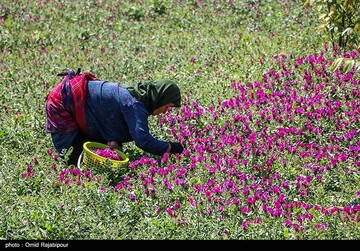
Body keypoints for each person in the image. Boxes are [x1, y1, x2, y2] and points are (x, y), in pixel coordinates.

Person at [45, 69, 184, 165]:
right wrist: (174, 148)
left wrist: (112, 139)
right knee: (73, 158)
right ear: (159, 98)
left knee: (103, 155)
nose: (165, 112)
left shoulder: (135, 95)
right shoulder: (134, 103)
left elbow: (108, 114)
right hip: (62, 102)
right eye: (167, 106)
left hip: (76, 100)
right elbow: (143, 141)